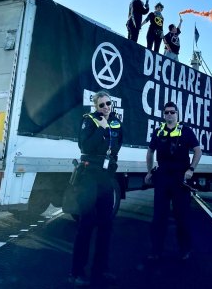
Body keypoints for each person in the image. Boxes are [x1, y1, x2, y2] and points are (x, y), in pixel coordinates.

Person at [69, 91, 123, 287]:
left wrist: (107, 151)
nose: (106, 107)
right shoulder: (89, 120)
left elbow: (117, 145)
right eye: (101, 105)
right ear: (95, 106)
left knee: (106, 226)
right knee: (86, 224)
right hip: (88, 177)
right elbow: (85, 145)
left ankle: (101, 270)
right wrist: (101, 128)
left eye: (108, 103)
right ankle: (76, 272)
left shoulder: (116, 122)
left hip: (106, 178)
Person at [145, 101, 201, 261]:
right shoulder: (158, 132)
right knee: (158, 217)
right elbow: (150, 152)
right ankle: (156, 251)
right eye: (166, 113)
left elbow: (198, 151)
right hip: (162, 177)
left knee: (181, 216)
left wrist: (191, 169)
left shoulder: (186, 131)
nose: (169, 115)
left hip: (180, 179)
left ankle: (185, 250)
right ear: (163, 115)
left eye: (172, 112)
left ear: (177, 114)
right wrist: (149, 171)